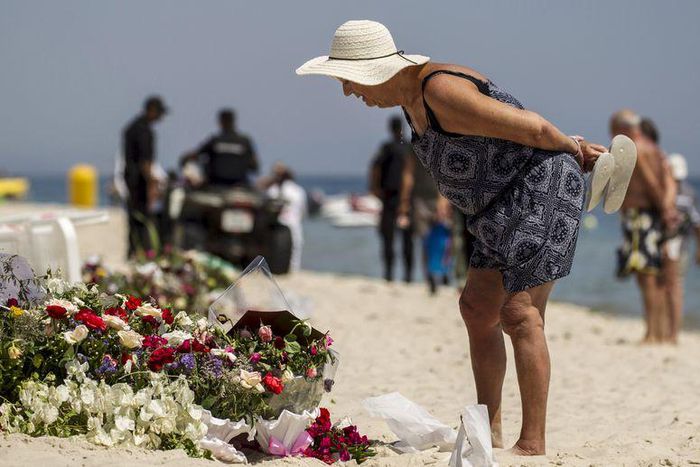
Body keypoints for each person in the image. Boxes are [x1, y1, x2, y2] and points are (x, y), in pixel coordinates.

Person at [298, 20, 614, 455]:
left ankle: (533, 443)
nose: (350, 93)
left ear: (375, 70)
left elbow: (534, 129)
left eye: (349, 82)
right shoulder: (412, 102)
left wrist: (575, 150)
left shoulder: (440, 91)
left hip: (538, 191)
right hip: (494, 209)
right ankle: (490, 430)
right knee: (475, 308)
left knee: (520, 315)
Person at [612, 111, 678, 343]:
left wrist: (664, 210)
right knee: (653, 275)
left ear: (625, 129)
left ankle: (651, 333)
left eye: (614, 129)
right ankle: (658, 332)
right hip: (649, 216)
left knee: (646, 275)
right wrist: (667, 207)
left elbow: (651, 182)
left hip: (642, 217)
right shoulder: (656, 150)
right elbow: (668, 181)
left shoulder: (636, 149)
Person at [369, 116, 414, 282]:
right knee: (406, 240)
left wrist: (374, 188)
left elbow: (375, 168)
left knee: (389, 238)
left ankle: (389, 275)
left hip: (390, 197)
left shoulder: (387, 148)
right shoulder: (409, 147)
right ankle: (407, 276)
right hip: (407, 199)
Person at [122, 95, 168, 257]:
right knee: (142, 218)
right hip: (139, 181)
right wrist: (152, 184)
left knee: (134, 218)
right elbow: (145, 162)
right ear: (152, 111)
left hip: (130, 178)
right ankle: (141, 252)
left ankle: (134, 251)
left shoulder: (131, 127)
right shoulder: (144, 131)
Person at [663, 153, 700, 342]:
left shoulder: (673, 192)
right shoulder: (689, 192)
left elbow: (697, 224)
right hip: (677, 246)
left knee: (673, 288)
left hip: (677, 247)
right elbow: (697, 224)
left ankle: (673, 333)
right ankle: (669, 332)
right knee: (671, 288)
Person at [181, 108, 259, 186]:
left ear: (220, 122)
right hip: (240, 184)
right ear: (234, 121)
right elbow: (254, 166)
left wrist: (185, 159)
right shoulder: (245, 141)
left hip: (216, 184)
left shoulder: (215, 141)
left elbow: (195, 155)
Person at [259, 163, 308, 272]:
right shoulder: (298, 190)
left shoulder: (271, 190)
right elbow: (303, 211)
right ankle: (294, 270)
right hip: (294, 224)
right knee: (295, 252)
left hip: (277, 225)